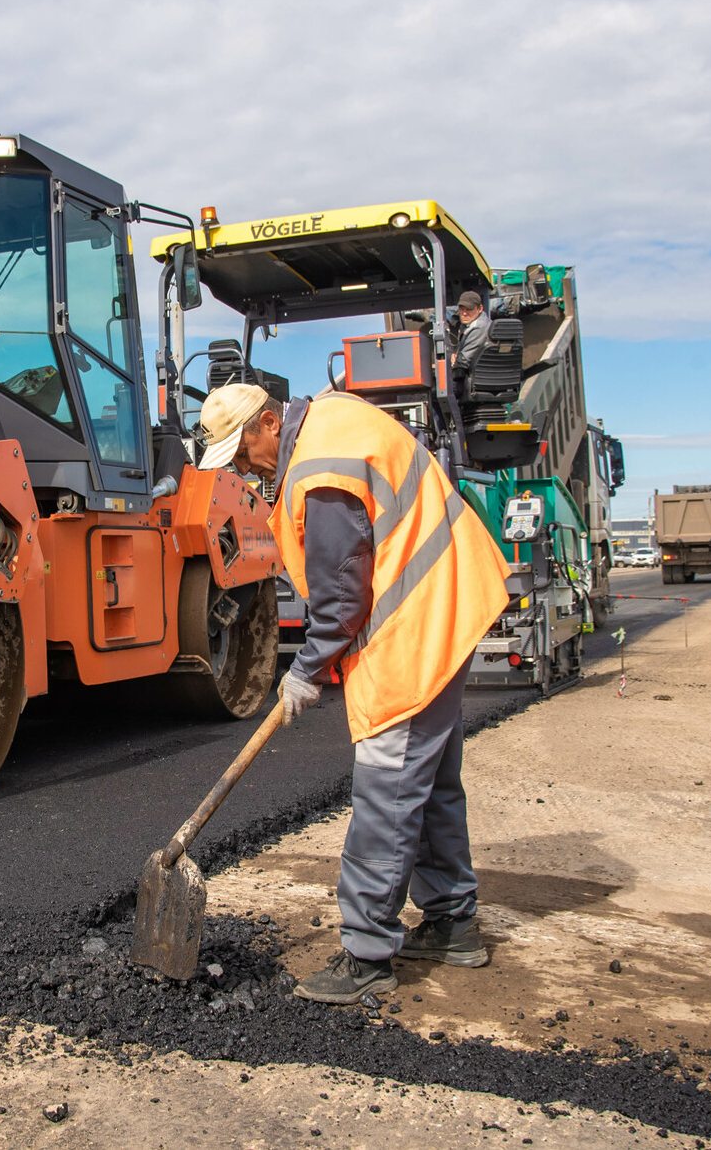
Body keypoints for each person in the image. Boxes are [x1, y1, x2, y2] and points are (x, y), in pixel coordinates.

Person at [195, 383, 510, 1004]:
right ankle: (451, 923)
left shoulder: (320, 470)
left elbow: (341, 600)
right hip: (447, 601)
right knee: (432, 782)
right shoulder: (331, 418)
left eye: (241, 450)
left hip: (414, 624)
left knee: (386, 788)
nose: (239, 466)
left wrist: (305, 671)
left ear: (267, 422)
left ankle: (367, 955)